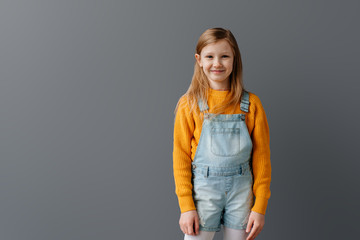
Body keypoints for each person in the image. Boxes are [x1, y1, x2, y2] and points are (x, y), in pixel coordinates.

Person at [172, 27, 271, 240]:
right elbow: (180, 157)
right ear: (199, 60)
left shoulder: (251, 105)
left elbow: (262, 158)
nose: (217, 63)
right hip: (203, 194)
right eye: (210, 56)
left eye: (224, 56)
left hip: (241, 195)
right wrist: (186, 206)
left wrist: (260, 206)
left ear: (235, 59)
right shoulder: (189, 105)